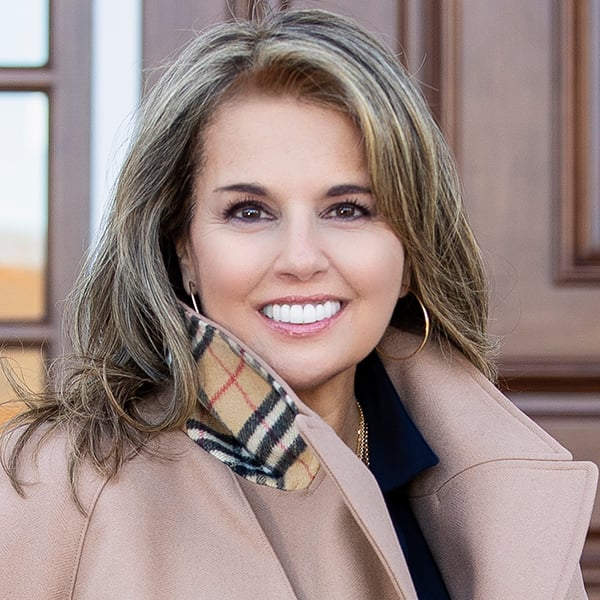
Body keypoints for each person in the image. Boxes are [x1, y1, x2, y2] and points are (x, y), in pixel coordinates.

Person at [0, 9, 597, 599]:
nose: (301, 258)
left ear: (411, 250)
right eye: (250, 212)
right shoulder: (56, 490)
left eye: (348, 210)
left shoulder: (510, 498)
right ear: (183, 249)